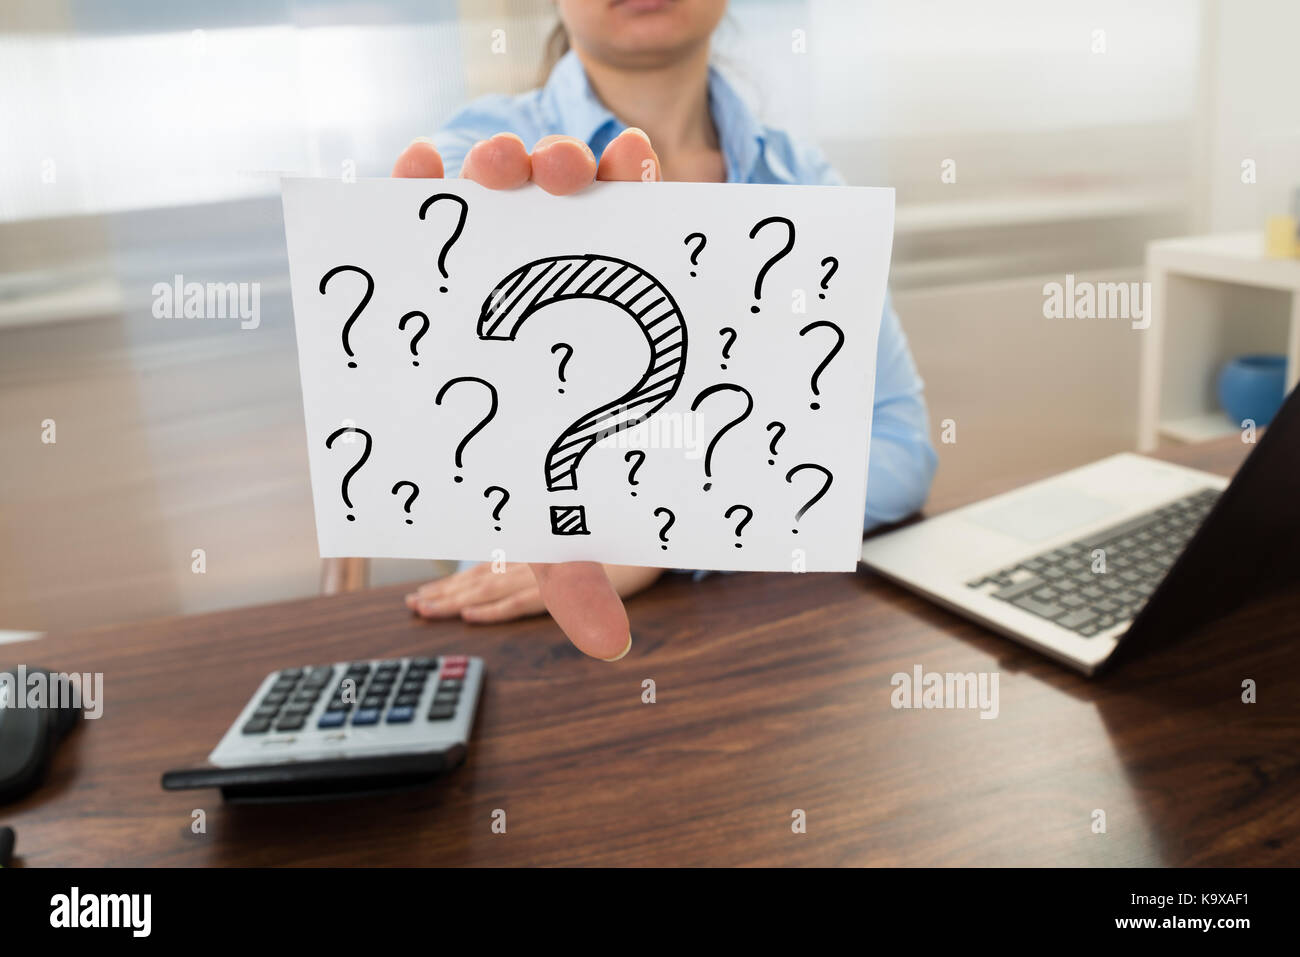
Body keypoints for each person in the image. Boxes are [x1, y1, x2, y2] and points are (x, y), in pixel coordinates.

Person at [395, 0, 937, 662]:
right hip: (534, 648)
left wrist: (664, 530)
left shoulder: (806, 182)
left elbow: (899, 450)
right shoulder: (477, 154)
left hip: (776, 647)